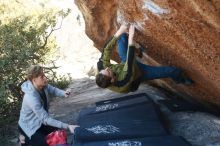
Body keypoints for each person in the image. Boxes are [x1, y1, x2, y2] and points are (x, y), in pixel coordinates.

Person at [96, 24, 193, 93]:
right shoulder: (122, 83)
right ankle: (180, 80)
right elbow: (130, 62)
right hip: (138, 73)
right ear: (112, 80)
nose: (107, 68)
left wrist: (120, 31)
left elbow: (106, 49)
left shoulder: (102, 69)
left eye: (104, 70)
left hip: (124, 65)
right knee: (173, 71)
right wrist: (131, 37)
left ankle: (138, 51)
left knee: (121, 38)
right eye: (108, 72)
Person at [18, 65, 78, 146]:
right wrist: (68, 126)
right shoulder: (31, 98)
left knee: (57, 134)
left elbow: (53, 90)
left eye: (44, 75)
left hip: (40, 121)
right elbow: (45, 119)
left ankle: (25, 140)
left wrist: (63, 93)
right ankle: (25, 141)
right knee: (46, 143)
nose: (45, 78)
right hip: (29, 127)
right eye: (42, 77)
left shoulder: (43, 86)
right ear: (34, 79)